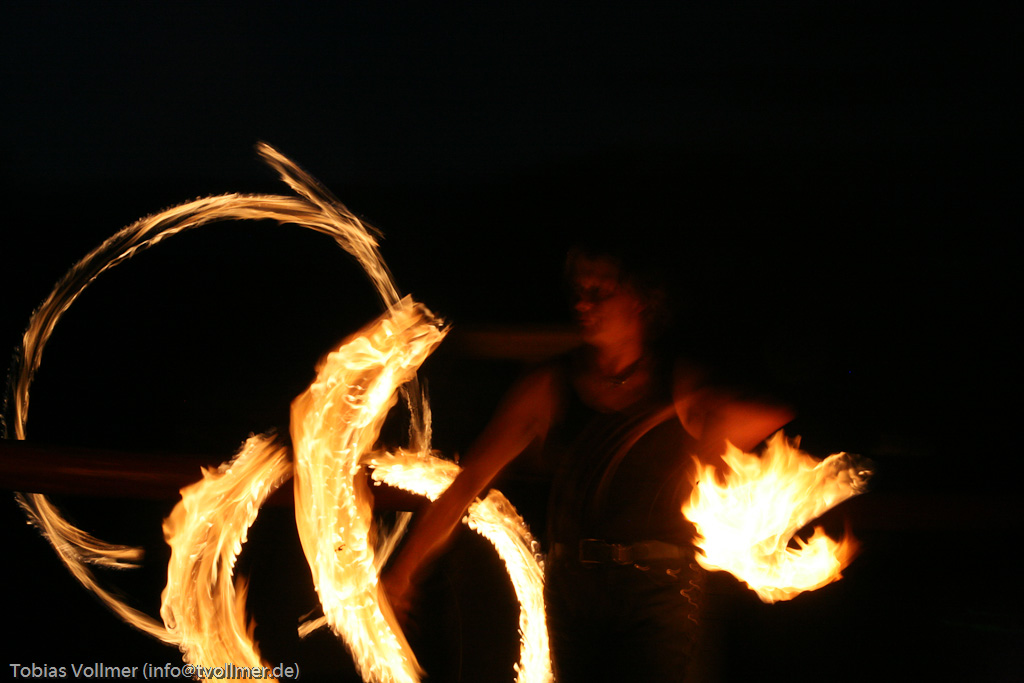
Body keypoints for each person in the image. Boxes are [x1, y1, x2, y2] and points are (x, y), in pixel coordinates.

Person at [382, 245, 792, 681]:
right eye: (578, 291)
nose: (582, 303)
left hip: (659, 594)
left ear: (640, 299)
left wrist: (717, 443)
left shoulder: (678, 386)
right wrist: (403, 571)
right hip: (574, 593)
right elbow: (468, 484)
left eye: (600, 291)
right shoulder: (550, 386)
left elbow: (767, 417)